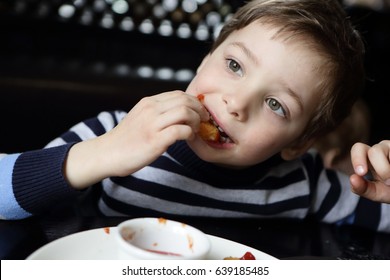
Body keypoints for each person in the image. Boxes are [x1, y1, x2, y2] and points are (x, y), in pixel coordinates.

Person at [2, 0, 389, 232]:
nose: (236, 103)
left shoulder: (306, 186)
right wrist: (102, 153)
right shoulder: (110, 132)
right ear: (205, 59)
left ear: (299, 143)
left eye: (276, 104)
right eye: (235, 65)